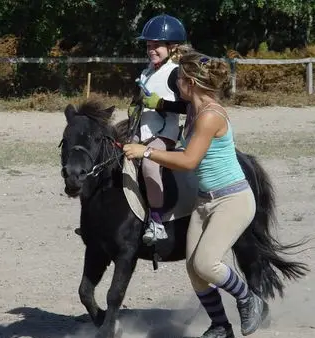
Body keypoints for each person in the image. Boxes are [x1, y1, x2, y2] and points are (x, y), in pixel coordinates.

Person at [122, 51, 268, 338]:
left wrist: (146, 151)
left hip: (232, 200)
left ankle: (250, 299)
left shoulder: (210, 116)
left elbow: (189, 160)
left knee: (206, 263)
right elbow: (175, 106)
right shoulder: (192, 108)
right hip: (205, 200)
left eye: (179, 81)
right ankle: (220, 326)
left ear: (190, 83)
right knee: (193, 269)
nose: (176, 85)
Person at [132, 14, 190, 245]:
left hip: (165, 135)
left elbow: (188, 106)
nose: (151, 50)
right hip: (141, 130)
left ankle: (157, 222)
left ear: (172, 47)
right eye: (149, 46)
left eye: (157, 46)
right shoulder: (148, 70)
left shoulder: (176, 72)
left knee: (148, 161)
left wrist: (161, 104)